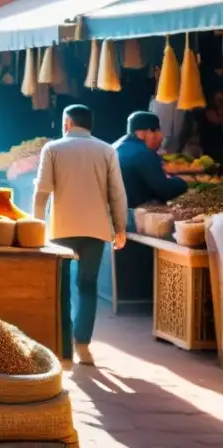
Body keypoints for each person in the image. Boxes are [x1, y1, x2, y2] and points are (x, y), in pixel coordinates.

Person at [33, 104, 127, 366]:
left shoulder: (52, 149)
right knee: (87, 287)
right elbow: (117, 194)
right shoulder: (107, 150)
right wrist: (120, 229)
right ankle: (83, 345)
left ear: (67, 124)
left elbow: (41, 193)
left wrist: (36, 227)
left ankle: (63, 350)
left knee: (60, 289)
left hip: (61, 229)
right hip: (96, 231)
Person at [113, 112, 187, 214]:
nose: (161, 138)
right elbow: (166, 190)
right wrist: (183, 181)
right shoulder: (142, 152)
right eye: (158, 131)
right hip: (131, 217)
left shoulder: (113, 147)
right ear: (146, 132)